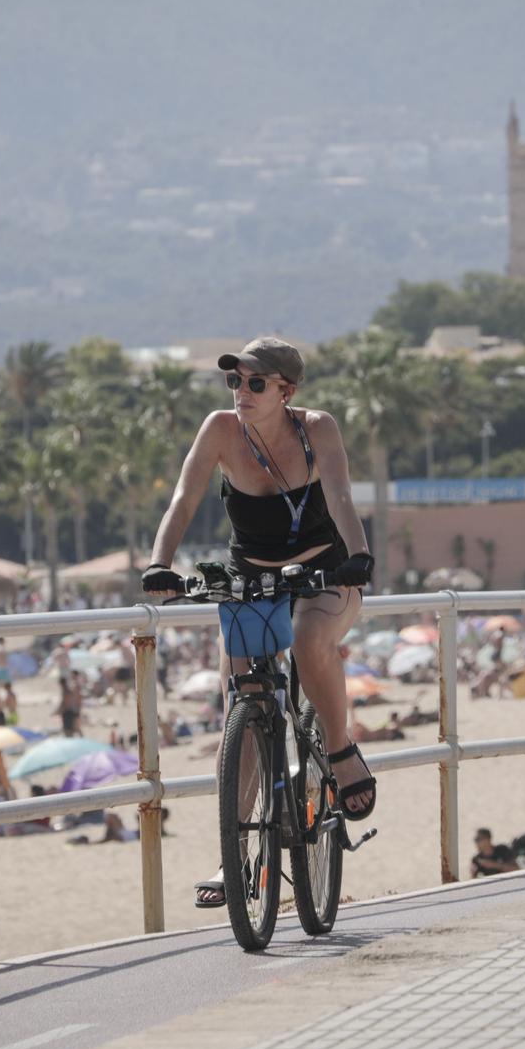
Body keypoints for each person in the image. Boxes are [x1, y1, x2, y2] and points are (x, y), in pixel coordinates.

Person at [140, 336, 375, 911]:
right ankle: (234, 853)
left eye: (255, 383)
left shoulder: (317, 428)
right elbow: (184, 497)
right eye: (235, 382)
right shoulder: (220, 429)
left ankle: (341, 752)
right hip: (250, 579)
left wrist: (359, 554)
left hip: (323, 571)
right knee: (241, 703)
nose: (241, 393)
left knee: (311, 637)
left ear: (286, 390)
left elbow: (341, 495)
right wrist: (159, 563)